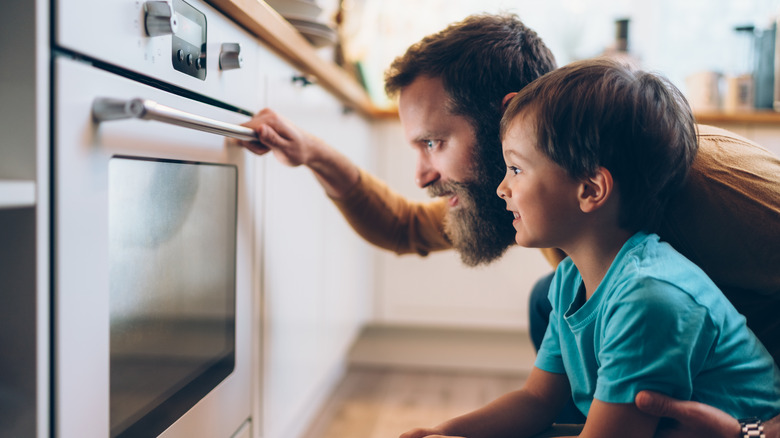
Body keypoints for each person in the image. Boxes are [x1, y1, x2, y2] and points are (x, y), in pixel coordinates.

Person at [238, 13, 780, 436]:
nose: (424, 174)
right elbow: (404, 227)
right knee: (551, 299)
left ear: (506, 113)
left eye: (435, 142)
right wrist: (311, 153)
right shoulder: (546, 194)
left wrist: (754, 433)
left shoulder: (714, 185)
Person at [399, 58, 780, 438]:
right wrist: (444, 431)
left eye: (515, 169)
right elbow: (536, 399)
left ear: (591, 190)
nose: (502, 188)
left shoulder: (650, 299)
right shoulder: (570, 278)